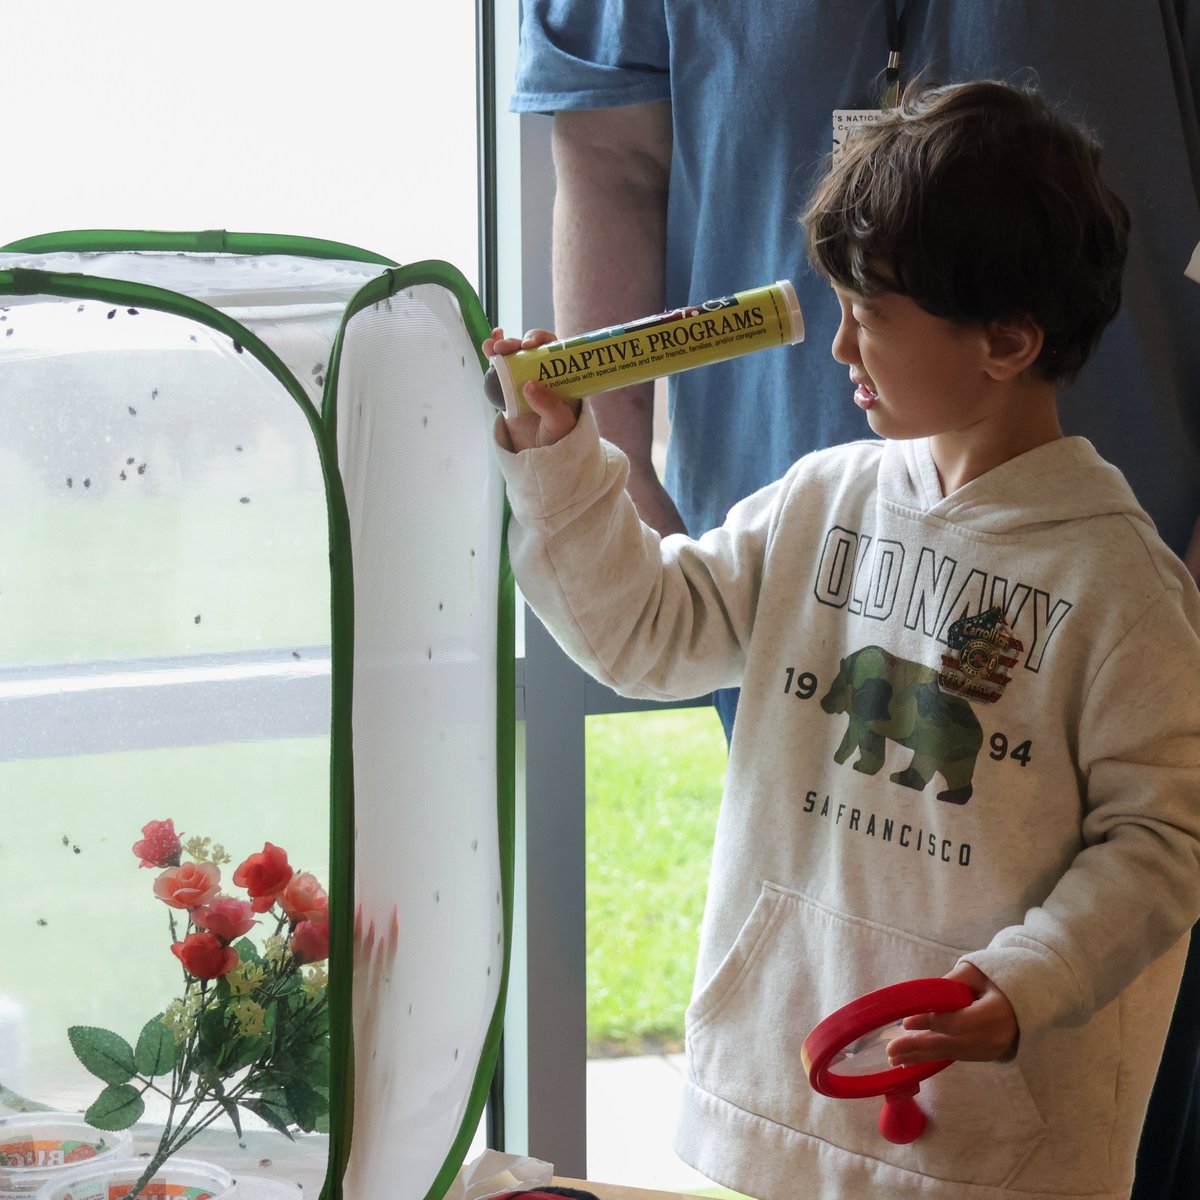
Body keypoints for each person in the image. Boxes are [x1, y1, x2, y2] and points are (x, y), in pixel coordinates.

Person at [513, 9, 1200, 1195]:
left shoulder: (1119, 584)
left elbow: (1164, 842)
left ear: (1006, 339)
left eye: (869, 313)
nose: (836, 349)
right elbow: (646, 633)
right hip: (791, 1103)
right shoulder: (816, 501)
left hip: (997, 1141)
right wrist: (564, 466)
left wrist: (1021, 983)